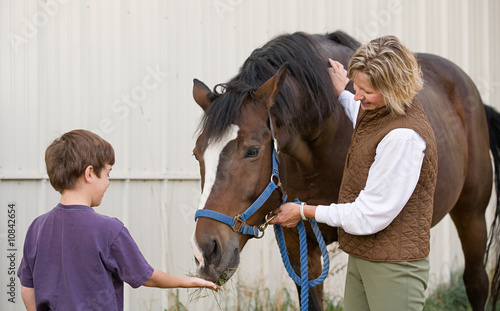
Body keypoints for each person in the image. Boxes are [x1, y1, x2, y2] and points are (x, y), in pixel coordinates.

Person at [270, 35, 438, 311]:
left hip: (394, 269)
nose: (358, 96)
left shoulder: (403, 139)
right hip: (365, 257)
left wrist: (302, 212)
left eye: (366, 91)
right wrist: (343, 91)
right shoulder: (385, 112)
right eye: (356, 87)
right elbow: (364, 118)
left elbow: (366, 215)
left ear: (395, 89)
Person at [17, 129, 219, 311]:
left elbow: (27, 288)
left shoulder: (37, 227)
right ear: (89, 173)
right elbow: (146, 277)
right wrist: (189, 282)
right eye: (107, 173)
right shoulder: (108, 230)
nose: (108, 183)